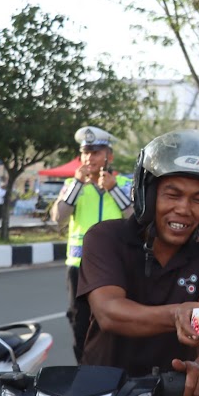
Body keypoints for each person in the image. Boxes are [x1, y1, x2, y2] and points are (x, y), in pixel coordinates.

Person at [77, 130, 199, 396]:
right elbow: (109, 311)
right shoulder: (105, 238)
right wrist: (177, 314)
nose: (184, 209)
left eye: (198, 200)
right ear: (147, 194)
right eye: (172, 195)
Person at [51, 126, 133, 363]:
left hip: (114, 267)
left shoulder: (125, 185)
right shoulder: (71, 185)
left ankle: (113, 368)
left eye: (96, 152)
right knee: (78, 320)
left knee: (114, 320)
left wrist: (114, 190)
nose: (89, 158)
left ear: (110, 156)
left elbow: (135, 221)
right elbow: (59, 218)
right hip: (78, 266)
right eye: (86, 152)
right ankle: (83, 369)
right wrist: (76, 185)